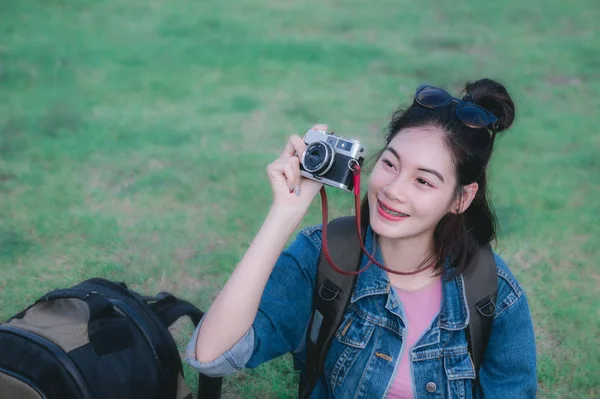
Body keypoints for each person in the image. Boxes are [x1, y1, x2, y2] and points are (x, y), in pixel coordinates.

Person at [185, 78, 537, 398]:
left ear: (461, 198)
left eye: (423, 181)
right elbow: (211, 355)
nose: (393, 190)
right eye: (390, 164)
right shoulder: (325, 256)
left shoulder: (493, 293)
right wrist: (283, 214)